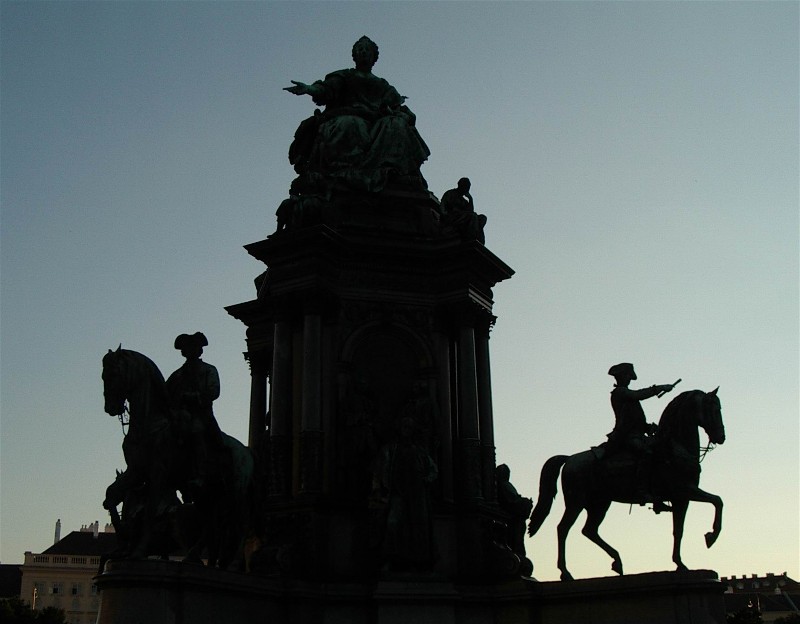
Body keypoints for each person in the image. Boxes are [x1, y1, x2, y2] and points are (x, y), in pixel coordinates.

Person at [284, 36, 430, 193]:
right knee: (351, 124)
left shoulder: (382, 84)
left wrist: (403, 116)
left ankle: (392, 172)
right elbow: (326, 90)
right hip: (347, 116)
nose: (363, 52)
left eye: (367, 49)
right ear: (354, 56)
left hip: (376, 122)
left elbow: (399, 107)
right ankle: (344, 172)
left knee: (396, 125)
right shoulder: (344, 76)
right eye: (359, 49)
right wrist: (308, 89)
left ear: (374, 57)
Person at [606, 363, 676, 505]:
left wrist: (649, 428)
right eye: (626, 376)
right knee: (646, 453)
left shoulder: (626, 395)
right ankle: (642, 491)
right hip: (626, 436)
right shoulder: (621, 393)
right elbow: (638, 395)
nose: (628, 379)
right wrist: (660, 388)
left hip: (636, 434)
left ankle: (656, 489)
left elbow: (634, 419)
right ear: (621, 377)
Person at [166, 332, 224, 496]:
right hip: (179, 416)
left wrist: (193, 397)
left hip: (201, 415)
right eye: (186, 349)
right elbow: (165, 394)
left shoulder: (208, 370)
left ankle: (200, 474)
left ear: (198, 351)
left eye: (192, 348)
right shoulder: (177, 375)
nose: (188, 351)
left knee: (196, 431)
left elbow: (213, 391)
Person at [439, 178, 487, 243]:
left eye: (468, 187)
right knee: (472, 216)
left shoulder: (464, 201)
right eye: (466, 186)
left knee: (482, 218)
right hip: (453, 216)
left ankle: (478, 239)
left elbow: (471, 211)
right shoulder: (450, 193)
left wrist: (470, 199)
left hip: (463, 217)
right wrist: (445, 216)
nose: (467, 189)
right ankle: (472, 237)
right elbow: (443, 205)